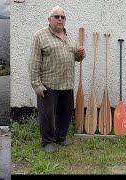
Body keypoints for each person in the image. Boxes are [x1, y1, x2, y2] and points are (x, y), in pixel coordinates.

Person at [29, 6, 86, 153]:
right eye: (56, 16)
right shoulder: (40, 36)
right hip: (49, 84)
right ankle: (47, 141)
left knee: (65, 113)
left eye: (63, 17)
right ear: (49, 19)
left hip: (67, 83)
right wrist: (36, 84)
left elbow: (77, 58)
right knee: (47, 115)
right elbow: (34, 62)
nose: (60, 19)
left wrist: (81, 54)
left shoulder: (70, 37)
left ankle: (60, 137)